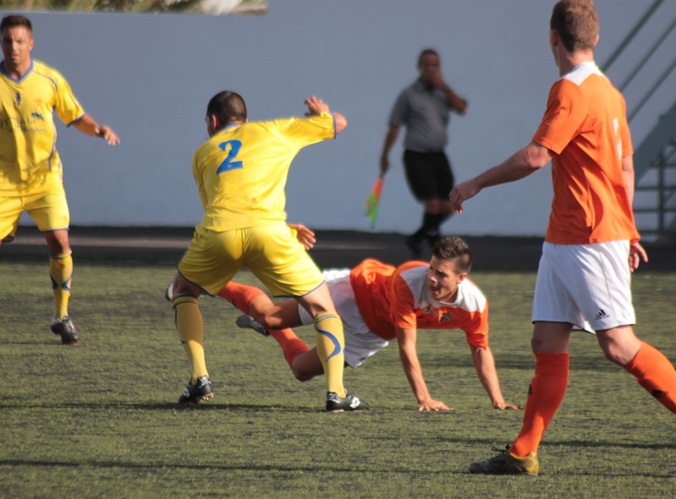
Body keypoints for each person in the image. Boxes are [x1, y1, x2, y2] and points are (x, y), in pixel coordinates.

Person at [450, 0, 676, 478]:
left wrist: (474, 182)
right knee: (547, 339)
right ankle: (523, 453)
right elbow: (624, 165)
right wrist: (630, 225)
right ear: (595, 38)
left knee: (618, 345)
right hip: (568, 238)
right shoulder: (609, 92)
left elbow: (538, 156)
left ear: (552, 38)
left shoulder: (570, 90)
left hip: (591, 237)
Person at [168, 91, 367, 412]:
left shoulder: (203, 152)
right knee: (322, 308)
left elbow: (222, 206)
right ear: (244, 118)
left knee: (182, 290)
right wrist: (323, 114)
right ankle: (336, 394)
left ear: (213, 121)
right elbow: (339, 124)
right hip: (269, 232)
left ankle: (199, 378)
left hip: (219, 232)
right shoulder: (276, 129)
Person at [220, 235, 518, 412]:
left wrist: (498, 400)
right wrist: (424, 398)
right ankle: (212, 280)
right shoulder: (407, 281)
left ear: (461, 278)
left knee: (301, 370)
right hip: (352, 292)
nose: (432, 278)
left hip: (374, 332)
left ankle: (275, 332)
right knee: (269, 315)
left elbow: (480, 350)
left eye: (441, 274)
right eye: (432, 269)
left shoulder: (474, 305)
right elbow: (408, 347)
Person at [0, 14, 120, 345]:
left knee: (60, 243)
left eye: (19, 40)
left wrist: (98, 129)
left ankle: (62, 316)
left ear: (31, 43)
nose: (13, 46)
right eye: (8, 40)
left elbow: (75, 116)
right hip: (3, 182)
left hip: (45, 180)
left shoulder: (49, 79)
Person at [379, 48, 467, 259]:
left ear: (439, 68)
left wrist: (445, 87)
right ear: (419, 68)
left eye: (433, 65)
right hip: (416, 155)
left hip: (438, 155)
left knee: (449, 204)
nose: (429, 69)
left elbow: (462, 108)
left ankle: (419, 237)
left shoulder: (444, 93)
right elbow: (394, 125)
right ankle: (436, 243)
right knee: (433, 204)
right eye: (425, 65)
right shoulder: (408, 94)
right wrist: (384, 155)